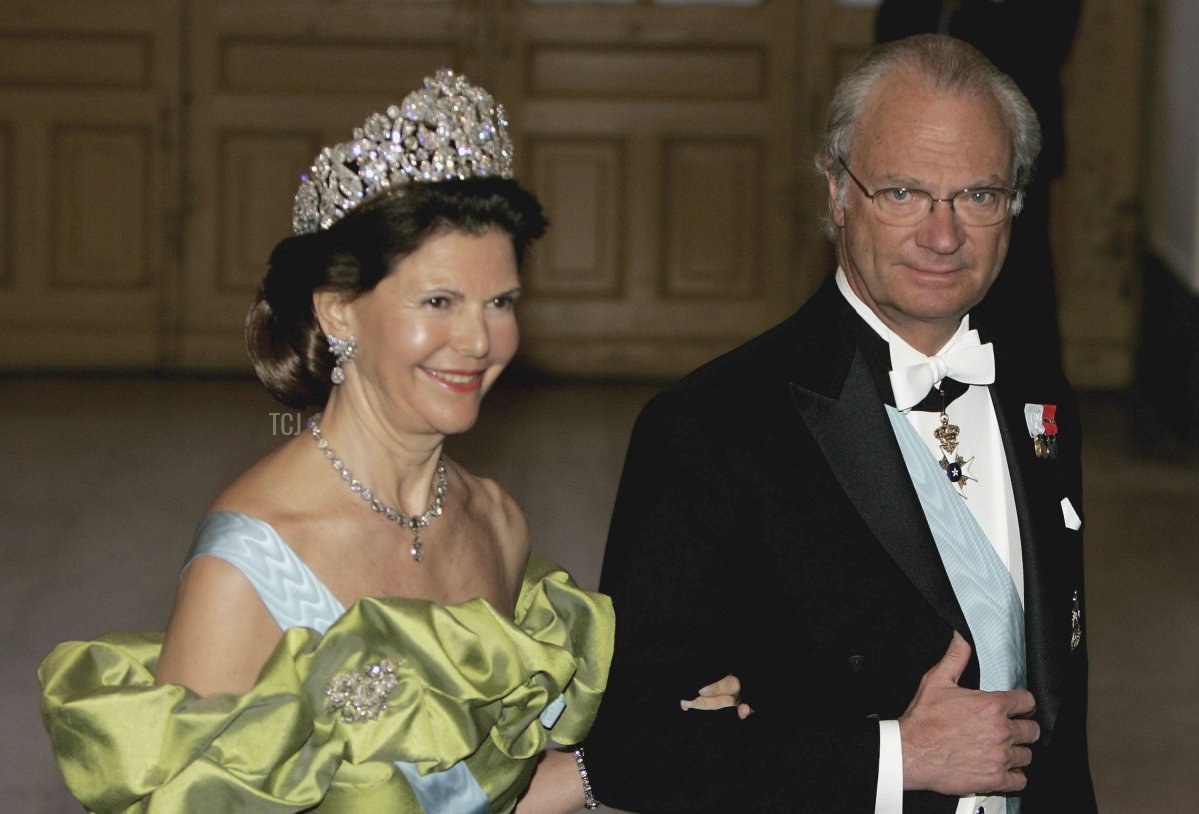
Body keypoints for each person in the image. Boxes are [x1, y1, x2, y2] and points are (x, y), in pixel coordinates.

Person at [37, 69, 742, 814]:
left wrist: (650, 744)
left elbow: (472, 796)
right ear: (340, 313)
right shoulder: (247, 568)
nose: (478, 339)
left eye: (499, 302)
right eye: (438, 301)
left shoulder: (492, 521)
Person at [582, 35, 1096, 813]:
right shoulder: (710, 428)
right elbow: (632, 747)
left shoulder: (1038, 396)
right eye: (903, 193)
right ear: (836, 192)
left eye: (978, 196)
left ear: (1015, 202)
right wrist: (895, 756)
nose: (943, 234)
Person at [875, 0, 1083, 365]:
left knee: (1021, 276)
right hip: (918, 133)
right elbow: (892, 28)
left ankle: (1027, 389)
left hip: (1012, 141)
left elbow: (1047, 36)